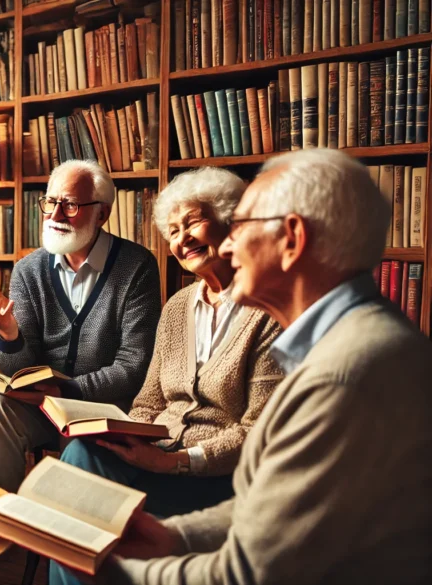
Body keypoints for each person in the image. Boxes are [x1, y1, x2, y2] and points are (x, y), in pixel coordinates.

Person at [96, 148, 432, 584]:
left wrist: (118, 572)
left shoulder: (345, 374)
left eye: (241, 225)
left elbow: (248, 573)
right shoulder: (338, 347)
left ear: (291, 239)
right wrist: (174, 537)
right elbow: (272, 499)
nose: (229, 243)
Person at [48, 168, 284, 584]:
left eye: (193, 222)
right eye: (173, 231)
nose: (182, 239)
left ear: (232, 221)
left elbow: (259, 432)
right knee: (80, 460)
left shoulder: (269, 312)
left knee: (82, 517)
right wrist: (128, 434)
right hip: (154, 454)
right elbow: (150, 402)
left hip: (216, 475)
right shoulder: (178, 306)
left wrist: (173, 462)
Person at [0, 160, 161, 493]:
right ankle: (0, 516)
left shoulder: (137, 266)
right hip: (45, 405)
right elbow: (20, 369)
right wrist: (9, 334)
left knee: (81, 450)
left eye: (69, 205)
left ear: (102, 214)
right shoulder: (29, 269)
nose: (55, 215)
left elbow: (135, 365)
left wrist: (69, 391)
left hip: (104, 405)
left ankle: (62, 533)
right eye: (51, 202)